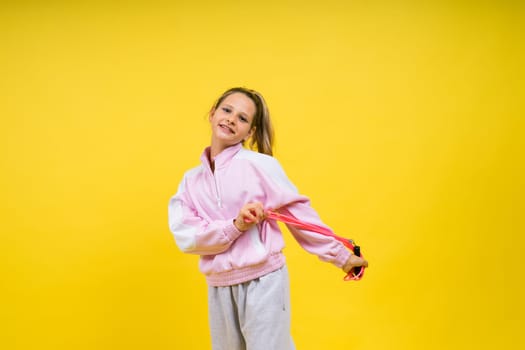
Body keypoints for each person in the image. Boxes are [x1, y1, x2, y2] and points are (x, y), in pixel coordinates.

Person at [168, 87, 368, 350]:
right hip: (219, 288)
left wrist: (341, 256)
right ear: (212, 113)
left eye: (242, 118)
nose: (230, 119)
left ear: (250, 132)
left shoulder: (260, 165)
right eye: (227, 110)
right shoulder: (190, 181)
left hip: (264, 282)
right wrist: (236, 226)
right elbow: (188, 238)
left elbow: (298, 215)